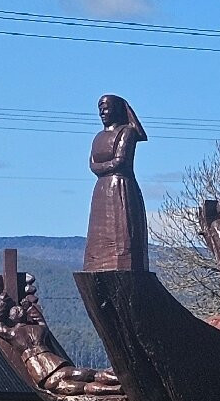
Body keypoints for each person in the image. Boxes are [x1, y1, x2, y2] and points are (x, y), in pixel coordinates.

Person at [0, 294, 123, 396]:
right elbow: (40, 320)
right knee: (91, 375)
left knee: (82, 388)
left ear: (11, 319)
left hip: (40, 373)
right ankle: (119, 381)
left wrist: (2, 303)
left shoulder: (12, 334)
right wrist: (30, 307)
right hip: (54, 363)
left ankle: (116, 389)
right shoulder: (38, 329)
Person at [83, 94, 149, 272]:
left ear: (117, 109)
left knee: (121, 232)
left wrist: (101, 167)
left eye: (106, 107)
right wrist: (103, 167)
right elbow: (91, 164)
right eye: (100, 108)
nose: (102, 112)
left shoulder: (127, 132)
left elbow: (120, 161)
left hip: (120, 187)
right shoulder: (98, 137)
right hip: (102, 190)